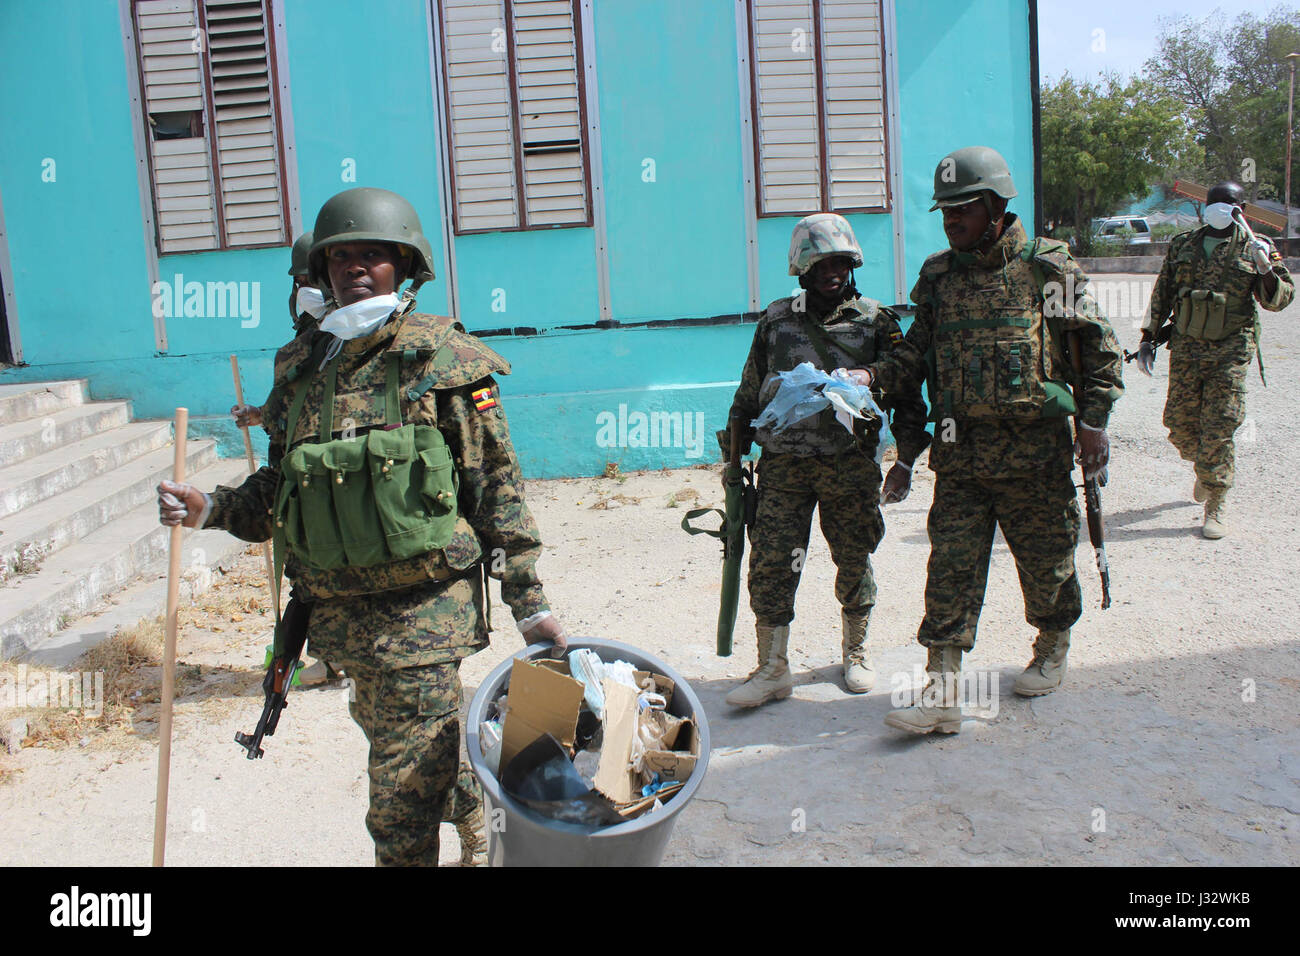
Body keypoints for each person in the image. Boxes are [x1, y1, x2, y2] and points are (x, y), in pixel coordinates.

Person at [157, 187, 565, 864]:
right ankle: (480, 825)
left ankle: (466, 841)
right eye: (339, 257)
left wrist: (530, 600)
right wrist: (209, 508)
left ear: (403, 266)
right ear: (318, 273)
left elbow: (495, 488)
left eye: (371, 255)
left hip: (426, 612)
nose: (353, 268)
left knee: (397, 803)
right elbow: (278, 489)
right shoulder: (301, 367)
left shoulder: (444, 358)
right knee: (412, 745)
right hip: (341, 618)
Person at [850, 146, 1123, 734]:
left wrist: (1093, 423)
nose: (952, 221)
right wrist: (871, 376)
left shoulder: (1045, 270)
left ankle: (1051, 646)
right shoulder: (940, 277)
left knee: (1046, 563)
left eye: (964, 210)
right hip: (963, 457)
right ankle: (943, 688)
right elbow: (914, 352)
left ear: (997, 208)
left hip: (1036, 458)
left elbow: (1099, 350)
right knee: (949, 569)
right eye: (945, 211)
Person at [719, 213, 930, 708]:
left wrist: (902, 456)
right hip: (783, 470)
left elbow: (908, 383)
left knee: (853, 558)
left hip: (849, 466)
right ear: (801, 268)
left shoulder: (876, 321)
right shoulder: (776, 321)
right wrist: (734, 459)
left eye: (839, 262)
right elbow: (748, 392)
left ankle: (855, 653)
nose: (831, 271)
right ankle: (772, 668)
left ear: (851, 264)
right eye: (820, 263)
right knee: (772, 563)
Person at [1137, 180, 1294, 539]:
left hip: (1230, 351)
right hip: (1188, 350)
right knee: (1178, 426)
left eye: (1230, 203)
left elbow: (1278, 300)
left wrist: (1265, 269)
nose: (1221, 208)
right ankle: (1206, 470)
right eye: (1215, 202)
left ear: (1241, 209)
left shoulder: (1257, 247)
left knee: (1220, 426)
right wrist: (1148, 338)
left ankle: (1216, 503)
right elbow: (1163, 292)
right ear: (1205, 207)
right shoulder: (1183, 245)